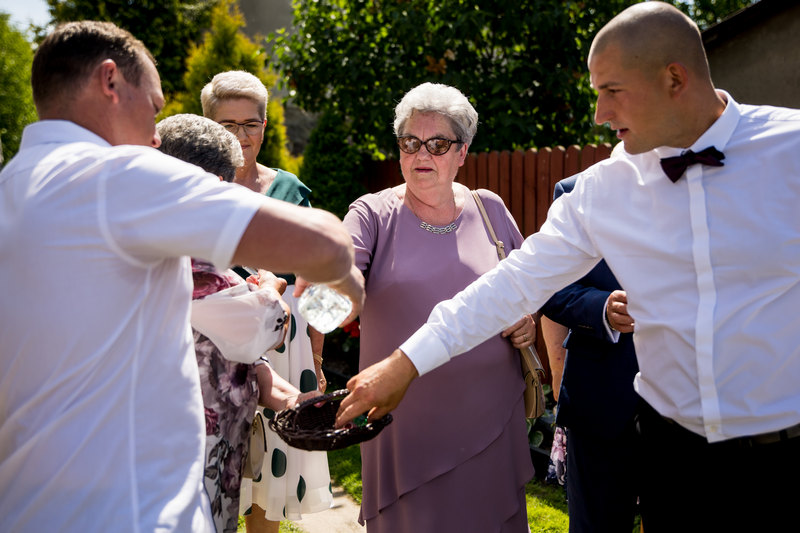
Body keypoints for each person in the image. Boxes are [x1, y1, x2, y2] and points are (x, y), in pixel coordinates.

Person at [337, 3, 800, 532]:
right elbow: (511, 283)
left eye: (612, 90)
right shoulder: (604, 189)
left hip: (786, 452)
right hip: (672, 460)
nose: (599, 113)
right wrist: (404, 364)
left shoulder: (791, 149)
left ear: (674, 78)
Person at [0, 21, 363, 533]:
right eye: (154, 106)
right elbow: (324, 244)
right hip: (129, 509)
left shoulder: (12, 186)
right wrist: (351, 286)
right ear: (110, 81)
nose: (156, 135)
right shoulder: (118, 176)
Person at [342, 82, 536, 532]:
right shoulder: (371, 213)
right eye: (410, 142)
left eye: (438, 144)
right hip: (406, 423)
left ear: (462, 152)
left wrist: (528, 320)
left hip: (491, 417)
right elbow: (342, 265)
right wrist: (334, 287)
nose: (421, 154)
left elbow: (526, 286)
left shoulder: (490, 208)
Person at [157, 113, 315, 533]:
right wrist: (270, 291)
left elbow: (230, 347)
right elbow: (263, 327)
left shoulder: (149, 235)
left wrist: (288, 397)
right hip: (186, 460)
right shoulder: (187, 256)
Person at [200, 70, 333, 532]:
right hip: (213, 348)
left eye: (250, 123)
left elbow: (315, 279)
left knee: (269, 482)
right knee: (215, 475)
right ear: (209, 125)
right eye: (228, 124)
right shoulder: (194, 191)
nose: (241, 135)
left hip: (285, 347)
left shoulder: (290, 190)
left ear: (264, 125)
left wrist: (317, 358)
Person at [539, 175, 641, 533]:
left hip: (689, 403)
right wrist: (601, 308)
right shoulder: (576, 191)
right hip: (600, 399)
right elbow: (549, 283)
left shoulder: (705, 183)